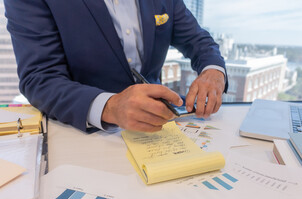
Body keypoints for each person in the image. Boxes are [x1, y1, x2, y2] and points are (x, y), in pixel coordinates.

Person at [4, 0, 228, 133]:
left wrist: (213, 71)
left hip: (160, 130)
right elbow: (40, 77)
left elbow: (199, 41)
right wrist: (110, 107)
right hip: (83, 134)